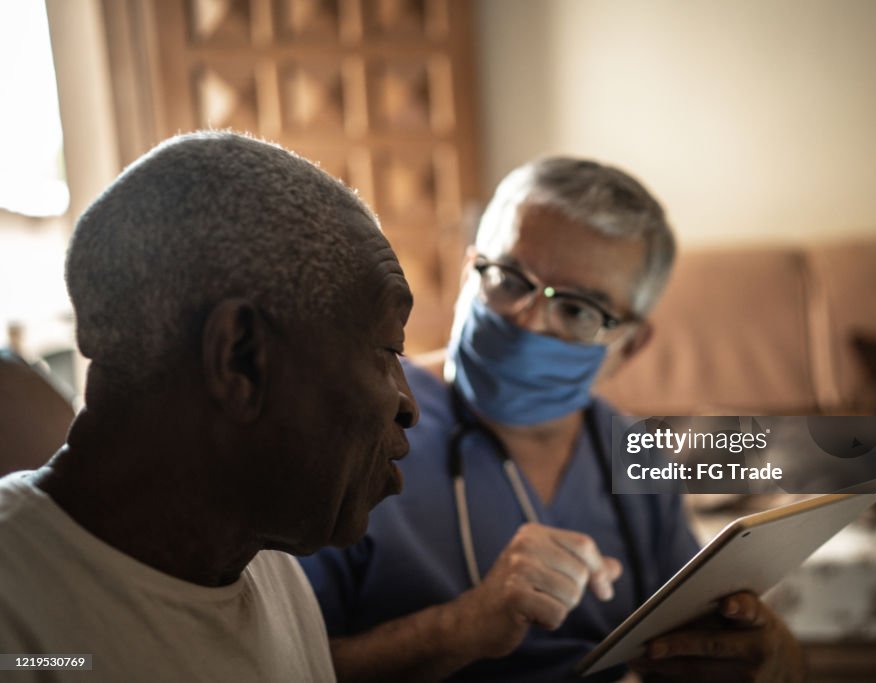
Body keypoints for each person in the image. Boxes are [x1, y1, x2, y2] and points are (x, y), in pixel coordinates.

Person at [300, 158, 804, 681]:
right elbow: (285, 663)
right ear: (469, 268)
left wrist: (769, 660)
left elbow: (683, 640)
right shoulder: (354, 427)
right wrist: (463, 626)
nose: (529, 320)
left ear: (629, 345)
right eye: (510, 278)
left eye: (578, 310)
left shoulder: (635, 454)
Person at [0, 132, 419, 682]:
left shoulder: (267, 563)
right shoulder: (19, 631)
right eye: (388, 350)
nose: (408, 403)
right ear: (240, 359)